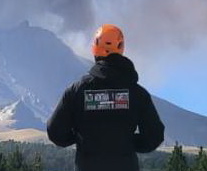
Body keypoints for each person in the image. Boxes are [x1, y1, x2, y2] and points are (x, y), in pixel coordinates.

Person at [47, 24, 165, 171]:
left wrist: (80, 138)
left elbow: (55, 132)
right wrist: (127, 142)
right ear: (121, 48)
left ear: (94, 49)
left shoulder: (76, 91)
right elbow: (154, 136)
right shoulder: (137, 94)